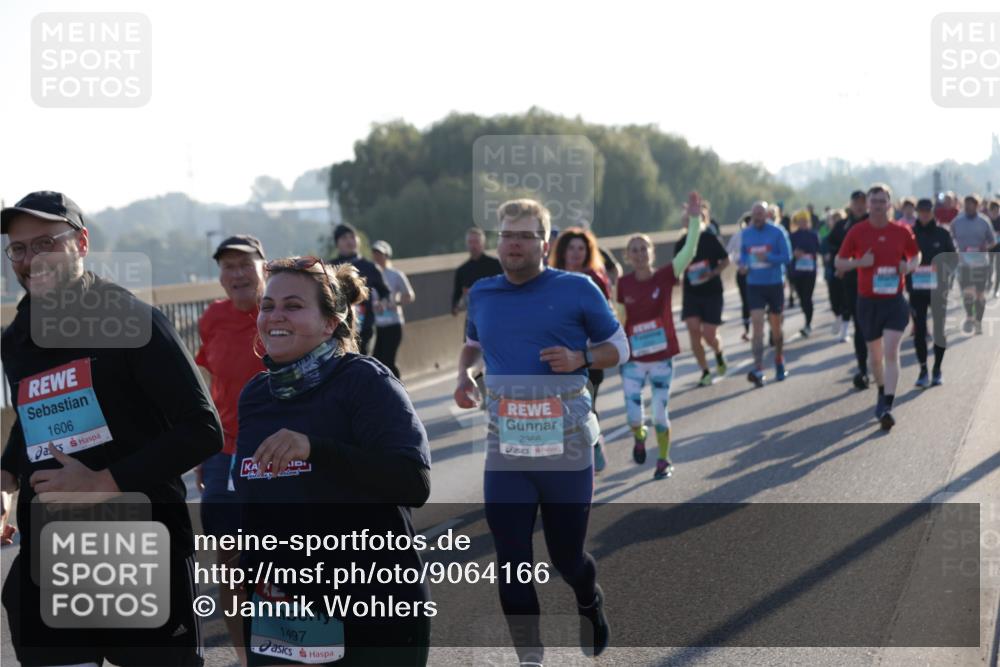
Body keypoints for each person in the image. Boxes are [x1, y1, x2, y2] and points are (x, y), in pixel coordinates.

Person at [0, 191, 223, 666]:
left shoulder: (134, 321)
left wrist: (103, 482)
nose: (29, 260)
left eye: (44, 244)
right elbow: (34, 416)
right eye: (17, 249)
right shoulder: (16, 338)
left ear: (81, 243)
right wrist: (6, 479)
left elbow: (203, 428)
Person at [452, 198, 629, 664]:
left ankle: (589, 600)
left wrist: (581, 358)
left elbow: (620, 347)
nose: (513, 244)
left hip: (566, 447)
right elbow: (472, 345)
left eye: (525, 235)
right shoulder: (483, 293)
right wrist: (463, 377)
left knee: (567, 558)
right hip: (507, 449)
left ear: (544, 243)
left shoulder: (578, 288)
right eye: (506, 235)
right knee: (511, 562)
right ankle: (530, 658)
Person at [236, 257, 432, 666]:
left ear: (330, 323)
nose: (275, 315)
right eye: (268, 305)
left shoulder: (364, 381)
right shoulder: (256, 395)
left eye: (293, 305)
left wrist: (316, 449)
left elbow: (413, 482)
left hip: (369, 609)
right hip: (283, 611)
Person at [195, 234, 268, 667]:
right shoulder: (213, 318)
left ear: (264, 266)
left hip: (279, 457)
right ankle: (245, 658)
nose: (237, 273)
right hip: (225, 455)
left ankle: (297, 647)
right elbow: (212, 386)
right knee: (231, 564)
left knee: (285, 556)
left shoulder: (284, 309)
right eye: (228, 266)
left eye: (245, 264)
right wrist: (208, 449)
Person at [617, 194, 704, 476]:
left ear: (651, 253)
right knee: (633, 417)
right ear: (628, 257)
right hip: (633, 359)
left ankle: (664, 460)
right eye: (634, 250)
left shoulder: (665, 276)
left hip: (662, 358)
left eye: (644, 249)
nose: (640, 253)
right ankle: (639, 437)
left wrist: (693, 219)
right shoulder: (623, 284)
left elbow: (689, 251)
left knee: (658, 413)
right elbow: (619, 319)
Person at [835, 184, 920, 431]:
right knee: (875, 357)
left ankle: (887, 406)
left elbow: (916, 255)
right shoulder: (857, 231)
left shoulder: (902, 231)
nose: (878, 205)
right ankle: (882, 390)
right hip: (868, 301)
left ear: (889, 204)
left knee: (891, 351)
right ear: (868, 205)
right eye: (874, 201)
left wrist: (910, 266)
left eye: (883, 201)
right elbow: (840, 262)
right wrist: (861, 262)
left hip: (894, 300)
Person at [549, 226, 615, 472]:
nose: (576, 253)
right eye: (571, 248)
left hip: (588, 356)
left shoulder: (594, 280)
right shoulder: (551, 278)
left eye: (581, 249)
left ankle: (594, 443)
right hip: (557, 356)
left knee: (583, 407)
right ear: (562, 251)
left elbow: (607, 318)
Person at [674, 206, 729, 386]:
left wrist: (713, 273)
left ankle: (719, 352)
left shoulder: (709, 238)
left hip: (712, 291)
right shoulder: (681, 243)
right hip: (692, 293)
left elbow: (726, 260)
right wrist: (677, 278)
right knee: (693, 329)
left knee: (708, 334)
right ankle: (705, 371)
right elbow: (677, 268)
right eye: (687, 221)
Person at [740, 200, 793, 387]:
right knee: (757, 327)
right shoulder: (746, 234)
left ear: (766, 215)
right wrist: (743, 266)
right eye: (754, 216)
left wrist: (768, 257)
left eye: (760, 215)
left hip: (774, 284)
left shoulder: (778, 232)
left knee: (776, 328)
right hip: (754, 284)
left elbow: (787, 257)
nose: (757, 218)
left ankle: (779, 360)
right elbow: (744, 256)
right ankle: (759, 368)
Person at [908, 198, 955, 388]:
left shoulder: (943, 233)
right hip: (916, 289)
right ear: (917, 212)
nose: (925, 214)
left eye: (927, 210)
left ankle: (937, 369)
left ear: (933, 212)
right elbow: (902, 257)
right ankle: (923, 370)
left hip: (938, 289)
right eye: (921, 210)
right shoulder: (909, 233)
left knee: (938, 331)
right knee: (919, 331)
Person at [827, 191, 871, 388]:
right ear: (851, 204)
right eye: (856, 202)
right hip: (852, 281)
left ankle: (876, 358)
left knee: (875, 326)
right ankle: (863, 368)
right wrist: (841, 264)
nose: (859, 206)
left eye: (863, 202)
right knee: (860, 325)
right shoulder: (842, 226)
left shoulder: (875, 223)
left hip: (876, 281)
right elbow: (831, 247)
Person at [329, 222, 389, 355]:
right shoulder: (330, 267)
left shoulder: (370, 267)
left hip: (365, 325)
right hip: (337, 326)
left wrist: (382, 303)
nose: (349, 240)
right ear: (337, 243)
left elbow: (385, 292)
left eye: (352, 236)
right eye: (344, 238)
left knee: (362, 361)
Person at [950, 194, 997, 334]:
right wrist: (956, 249)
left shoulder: (984, 221)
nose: (969, 206)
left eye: (972, 204)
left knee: (980, 294)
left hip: (981, 263)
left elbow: (993, 241)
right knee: (967, 293)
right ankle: (970, 316)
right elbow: (950, 238)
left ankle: (978, 321)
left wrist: (985, 247)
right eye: (967, 204)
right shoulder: (957, 222)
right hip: (964, 263)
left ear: (977, 205)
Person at [370, 240, 415, 378]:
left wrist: (395, 302)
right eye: (375, 254)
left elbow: (410, 296)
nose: (377, 257)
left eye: (380, 254)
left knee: (389, 360)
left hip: (394, 324)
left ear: (387, 256)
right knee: (376, 361)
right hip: (377, 325)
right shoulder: (369, 276)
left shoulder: (396, 275)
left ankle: (399, 390)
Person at [789, 209, 822, 337]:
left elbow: (819, 250)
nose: (803, 223)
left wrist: (816, 255)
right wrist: (794, 254)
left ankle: (808, 324)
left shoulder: (813, 235)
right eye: (800, 221)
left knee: (808, 297)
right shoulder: (792, 236)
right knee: (802, 299)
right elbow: (787, 253)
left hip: (810, 272)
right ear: (797, 222)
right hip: (797, 272)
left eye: (805, 221)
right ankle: (807, 319)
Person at [726, 214, 752, 341]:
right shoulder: (738, 236)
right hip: (742, 273)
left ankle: (759, 328)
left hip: (757, 273)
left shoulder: (763, 235)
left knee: (754, 302)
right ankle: (747, 330)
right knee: (746, 302)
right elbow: (728, 253)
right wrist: (739, 263)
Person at [822, 209, 847, 336]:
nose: (836, 221)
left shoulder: (847, 235)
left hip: (846, 271)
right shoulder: (827, 238)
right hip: (831, 271)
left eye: (839, 218)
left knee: (846, 300)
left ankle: (844, 329)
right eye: (834, 219)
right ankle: (838, 316)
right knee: (833, 299)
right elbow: (821, 250)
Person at [989, 199, 1000, 298]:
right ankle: (989, 282)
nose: (996, 211)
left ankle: (996, 290)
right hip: (989, 247)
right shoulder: (987, 220)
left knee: (998, 269)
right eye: (994, 210)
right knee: (989, 267)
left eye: (997, 209)